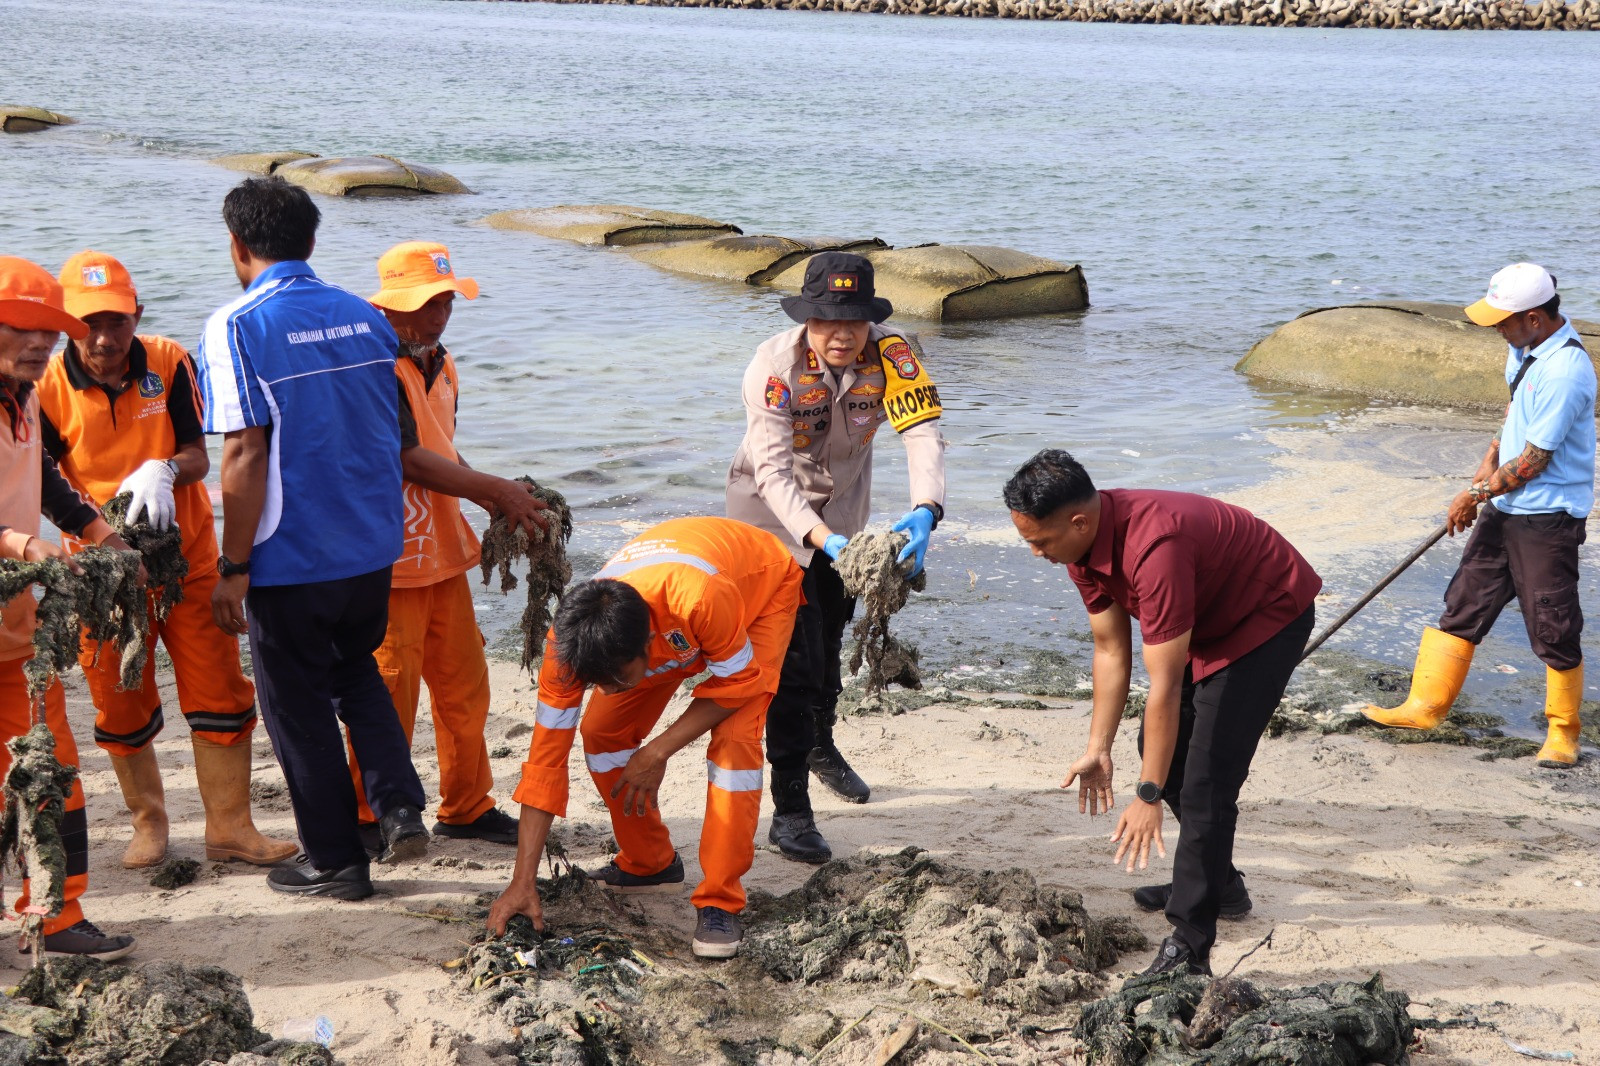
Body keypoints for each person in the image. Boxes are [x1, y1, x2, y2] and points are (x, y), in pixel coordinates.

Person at [194, 177, 430, 900]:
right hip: (370, 544)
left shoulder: (238, 324)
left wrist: (233, 565)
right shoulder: (365, 317)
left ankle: (335, 860)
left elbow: (244, 453)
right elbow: (386, 431)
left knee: (295, 704)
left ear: (237, 246)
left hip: (292, 554)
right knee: (355, 670)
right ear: (313, 241)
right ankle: (397, 804)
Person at [1004, 449, 1320, 977]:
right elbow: (1110, 650)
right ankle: (1220, 884)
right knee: (1158, 753)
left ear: (1078, 521)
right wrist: (1097, 749)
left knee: (1204, 783)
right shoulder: (1079, 550)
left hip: (1265, 616)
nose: (1035, 553)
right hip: (1206, 615)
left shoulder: (1156, 549)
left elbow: (1165, 687)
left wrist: (1147, 795)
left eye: (1040, 541)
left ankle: (1190, 945)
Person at [37, 250, 295, 870]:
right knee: (119, 698)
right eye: (89, 324)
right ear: (67, 325)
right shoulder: (45, 388)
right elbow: (39, 481)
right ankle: (149, 823)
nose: (104, 339)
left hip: (191, 559)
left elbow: (200, 454)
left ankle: (230, 826)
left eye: (118, 322)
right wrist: (96, 541)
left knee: (222, 691)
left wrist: (166, 468)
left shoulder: (169, 360)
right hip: (103, 573)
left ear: (138, 316)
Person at [487, 517, 803, 959]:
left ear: (650, 643)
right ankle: (649, 861)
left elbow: (740, 685)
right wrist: (523, 880)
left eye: (619, 678)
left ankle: (720, 901)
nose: (610, 690)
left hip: (758, 589)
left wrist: (657, 750)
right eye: (599, 682)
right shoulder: (568, 647)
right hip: (677, 616)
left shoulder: (699, 599)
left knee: (734, 743)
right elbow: (545, 763)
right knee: (601, 731)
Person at [725, 251, 946, 864]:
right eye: (827, 320)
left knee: (828, 644)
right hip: (770, 518)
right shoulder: (773, 368)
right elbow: (771, 471)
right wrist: (819, 540)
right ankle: (791, 810)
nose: (841, 334)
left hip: (844, 512)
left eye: (853, 320)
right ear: (807, 319)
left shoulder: (894, 354)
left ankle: (821, 743)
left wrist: (928, 508)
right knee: (792, 660)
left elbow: (922, 429)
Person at [349, 241, 549, 849]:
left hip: (441, 553)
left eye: (444, 301)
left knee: (465, 687)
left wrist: (488, 494)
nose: (436, 315)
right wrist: (494, 489)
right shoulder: (372, 365)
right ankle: (369, 813)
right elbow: (404, 458)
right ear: (387, 306)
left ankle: (466, 806)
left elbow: (439, 448)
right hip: (388, 559)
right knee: (389, 690)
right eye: (423, 304)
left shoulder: (443, 362)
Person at [1365, 264, 1593, 769]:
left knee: (1552, 623)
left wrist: (1474, 496)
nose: (1495, 329)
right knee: (1465, 600)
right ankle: (1424, 708)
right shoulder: (1526, 351)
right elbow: (1513, 424)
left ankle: (1563, 731)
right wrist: (1478, 478)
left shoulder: (1565, 371)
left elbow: (1535, 460)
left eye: (1502, 321)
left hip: (1547, 516)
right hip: (1506, 504)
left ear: (1534, 318)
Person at [0, 256, 138, 959]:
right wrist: (31, 546)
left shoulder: (23, 399)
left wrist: (107, 539)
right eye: (23, 328)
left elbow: (51, 482)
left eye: (50, 334)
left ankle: (54, 916)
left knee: (51, 772)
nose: (39, 346)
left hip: (17, 634)